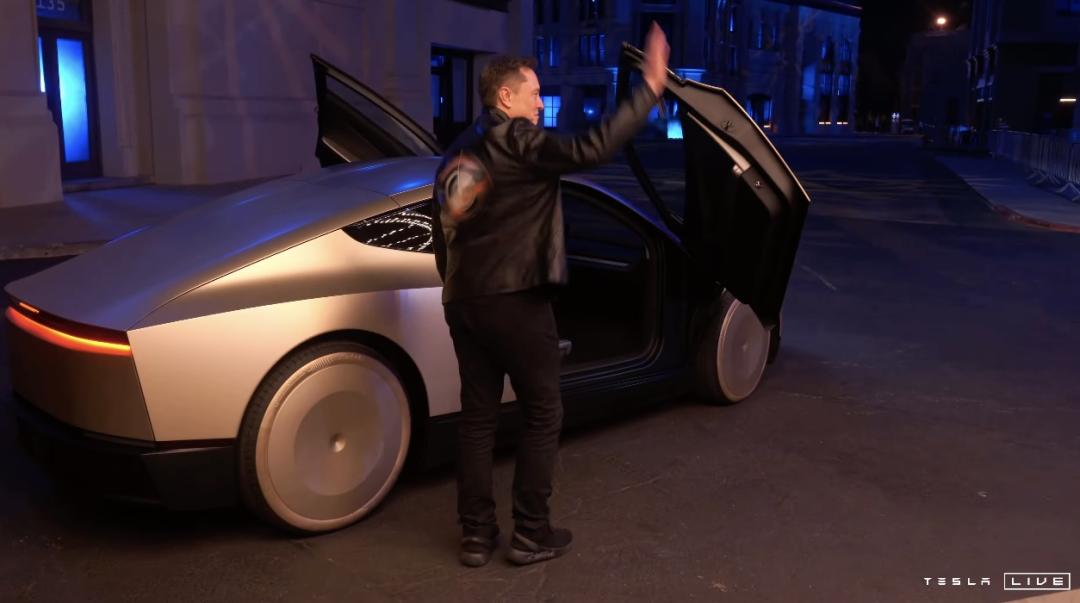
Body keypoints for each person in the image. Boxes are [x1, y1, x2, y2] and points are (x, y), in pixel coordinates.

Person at [432, 23, 670, 568]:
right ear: (505, 96)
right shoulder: (516, 139)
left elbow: (444, 228)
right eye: (535, 93)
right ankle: (530, 534)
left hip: (465, 301)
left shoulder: (459, 149)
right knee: (542, 412)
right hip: (516, 299)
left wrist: (457, 289)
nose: (542, 103)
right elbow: (593, 146)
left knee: (477, 419)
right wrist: (651, 89)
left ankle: (476, 537)